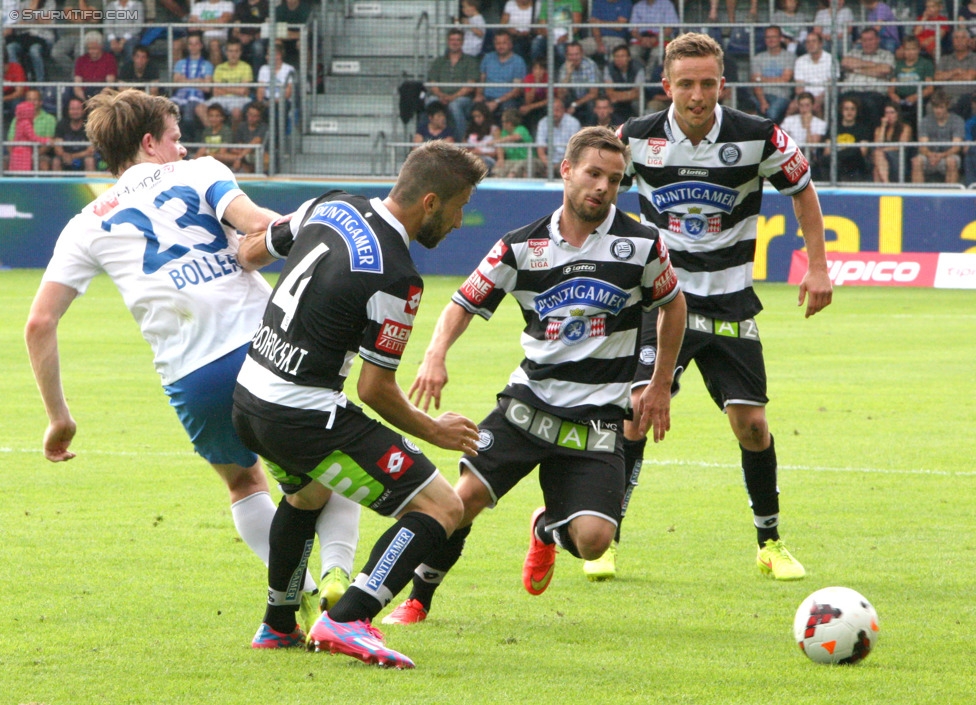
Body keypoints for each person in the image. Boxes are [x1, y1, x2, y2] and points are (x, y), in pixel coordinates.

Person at [25, 88, 361, 636]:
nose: (184, 149)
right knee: (331, 459)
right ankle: (336, 578)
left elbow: (39, 322)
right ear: (150, 142)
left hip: (191, 374)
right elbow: (261, 224)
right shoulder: (201, 171)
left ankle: (292, 595)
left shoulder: (84, 224)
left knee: (244, 484)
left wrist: (59, 417)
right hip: (265, 347)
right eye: (176, 139)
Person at [381, 126, 686, 626]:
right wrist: (435, 354)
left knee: (593, 543)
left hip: (596, 419)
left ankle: (546, 529)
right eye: (593, 174)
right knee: (461, 502)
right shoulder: (520, 246)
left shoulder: (642, 244)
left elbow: (674, 306)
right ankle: (417, 600)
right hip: (528, 406)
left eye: (615, 179)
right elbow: (463, 302)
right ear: (566, 171)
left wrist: (658, 383)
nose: (603, 187)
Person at [230, 141, 487, 667]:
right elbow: (374, 389)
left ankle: (278, 623)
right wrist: (433, 430)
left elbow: (251, 251)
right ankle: (349, 617)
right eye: (459, 207)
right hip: (301, 414)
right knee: (443, 506)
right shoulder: (398, 278)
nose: (461, 222)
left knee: (308, 495)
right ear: (431, 202)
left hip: (249, 396)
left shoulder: (332, 204)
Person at [594, 32, 832, 582]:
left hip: (729, 303)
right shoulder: (636, 138)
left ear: (721, 84)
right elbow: (598, 194)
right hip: (662, 301)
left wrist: (818, 266)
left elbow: (803, 190)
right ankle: (606, 539)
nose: (697, 95)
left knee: (751, 425)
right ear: (667, 86)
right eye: (686, 84)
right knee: (635, 413)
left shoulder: (757, 137)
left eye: (707, 83)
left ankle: (770, 543)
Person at [425, 27, 481, 141]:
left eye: (458, 40)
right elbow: (432, 83)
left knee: (454, 105)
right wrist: (441, 96)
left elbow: (470, 85)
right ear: (447, 41)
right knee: (430, 101)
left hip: (463, 99)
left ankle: (461, 142)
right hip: (440, 96)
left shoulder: (470, 61)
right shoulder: (439, 61)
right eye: (452, 40)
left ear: (462, 42)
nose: (454, 43)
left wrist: (452, 97)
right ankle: (428, 140)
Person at [840, 27, 894, 128]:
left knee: (870, 104)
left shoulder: (886, 55)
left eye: (870, 40)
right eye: (864, 40)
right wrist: (874, 66)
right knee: (838, 101)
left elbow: (885, 69)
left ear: (878, 40)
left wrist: (857, 69)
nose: (867, 43)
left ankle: (871, 138)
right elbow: (845, 62)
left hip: (874, 94)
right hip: (851, 92)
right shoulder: (853, 53)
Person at [911, 89, 964, 183]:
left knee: (952, 162)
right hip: (929, 156)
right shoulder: (925, 121)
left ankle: (950, 195)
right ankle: (919, 194)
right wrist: (930, 155)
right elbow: (922, 146)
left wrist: (942, 155)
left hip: (948, 155)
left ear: (947, 106)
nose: (938, 111)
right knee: (916, 161)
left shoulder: (957, 121)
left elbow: (956, 147)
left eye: (941, 107)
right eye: (935, 107)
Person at [171, 32, 214, 142]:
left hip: (196, 98)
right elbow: (175, 84)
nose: (193, 46)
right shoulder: (180, 63)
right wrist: (198, 81)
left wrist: (185, 80)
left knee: (188, 116)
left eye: (196, 43)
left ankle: (190, 145)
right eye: (191, 44)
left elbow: (207, 88)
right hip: (179, 97)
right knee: (166, 112)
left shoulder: (207, 65)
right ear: (187, 46)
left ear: (201, 45)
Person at [751, 25, 796, 125]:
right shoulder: (758, 58)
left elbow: (785, 79)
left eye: (774, 37)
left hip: (781, 96)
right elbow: (755, 83)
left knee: (772, 114)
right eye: (768, 37)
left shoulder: (789, 57)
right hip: (762, 95)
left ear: (780, 38)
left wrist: (761, 78)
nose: (771, 40)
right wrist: (762, 101)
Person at [205, 37, 255, 128]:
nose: (233, 54)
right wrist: (235, 89)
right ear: (226, 52)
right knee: (200, 108)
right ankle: (214, 134)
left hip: (239, 99)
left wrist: (223, 87)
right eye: (231, 51)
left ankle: (233, 140)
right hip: (221, 98)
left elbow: (243, 91)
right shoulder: (219, 68)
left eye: (236, 51)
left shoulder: (246, 67)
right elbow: (216, 91)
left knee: (236, 112)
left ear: (240, 52)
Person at [477, 30, 527, 119]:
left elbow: (516, 91)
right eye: (498, 43)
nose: (500, 46)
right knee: (476, 108)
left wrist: (497, 101)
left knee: (508, 110)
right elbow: (481, 81)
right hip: (487, 97)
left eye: (504, 43)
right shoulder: (487, 58)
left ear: (511, 44)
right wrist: (479, 95)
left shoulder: (518, 61)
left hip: (507, 100)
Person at [888, 36, 934, 127]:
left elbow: (930, 88)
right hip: (900, 98)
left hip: (918, 97)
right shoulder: (898, 65)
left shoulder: (926, 63)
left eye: (913, 49)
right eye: (907, 49)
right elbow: (891, 87)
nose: (910, 52)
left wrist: (915, 96)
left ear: (918, 50)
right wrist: (893, 96)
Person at [6, 0, 56, 82]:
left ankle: (40, 83)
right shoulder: (22, 4)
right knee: (10, 48)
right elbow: (17, 23)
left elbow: (48, 21)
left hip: (43, 38)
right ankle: (17, 80)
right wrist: (35, 18)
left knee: (34, 51)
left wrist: (33, 11)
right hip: (24, 38)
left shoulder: (49, 3)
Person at [6, 87, 56, 170]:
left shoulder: (49, 119)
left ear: (40, 102)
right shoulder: (19, 120)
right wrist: (14, 154)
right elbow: (31, 138)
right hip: (21, 153)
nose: (32, 102)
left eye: (35, 100)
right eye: (29, 99)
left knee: (43, 164)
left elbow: (47, 146)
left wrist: (34, 156)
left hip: (39, 154)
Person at [782, 91, 828, 179]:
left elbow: (812, 147)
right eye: (801, 105)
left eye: (807, 105)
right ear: (798, 106)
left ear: (812, 106)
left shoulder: (820, 123)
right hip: (791, 154)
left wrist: (808, 127)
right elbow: (783, 142)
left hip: (808, 157)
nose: (804, 109)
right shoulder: (789, 121)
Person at [934, 27, 976, 120]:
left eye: (962, 38)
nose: (959, 41)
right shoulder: (945, 59)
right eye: (956, 38)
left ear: (968, 41)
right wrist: (955, 72)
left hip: (968, 97)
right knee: (931, 106)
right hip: (946, 97)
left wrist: (948, 77)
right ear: (952, 41)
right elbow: (937, 78)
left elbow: (969, 77)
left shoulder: (974, 58)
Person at [557, 41, 600, 126]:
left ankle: (589, 132)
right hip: (572, 98)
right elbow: (560, 95)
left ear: (582, 54)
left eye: (576, 54)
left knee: (591, 105)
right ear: (566, 56)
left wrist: (575, 104)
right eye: (571, 55)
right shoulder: (564, 68)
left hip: (586, 99)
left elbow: (593, 93)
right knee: (560, 104)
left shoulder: (590, 65)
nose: (574, 58)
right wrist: (568, 74)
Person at [535, 97, 581, 176]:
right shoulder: (543, 122)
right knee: (531, 164)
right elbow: (540, 150)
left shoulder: (573, 122)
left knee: (569, 166)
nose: (554, 113)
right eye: (552, 110)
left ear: (563, 110)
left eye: (557, 110)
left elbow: (574, 150)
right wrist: (549, 166)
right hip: (547, 161)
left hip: (567, 160)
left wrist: (557, 166)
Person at [792, 32, 833, 117]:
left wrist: (817, 100)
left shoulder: (830, 59)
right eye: (808, 42)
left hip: (824, 96)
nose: (811, 44)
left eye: (814, 41)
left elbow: (831, 86)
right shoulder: (800, 61)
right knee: (791, 107)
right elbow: (799, 87)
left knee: (816, 107)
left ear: (821, 43)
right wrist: (805, 101)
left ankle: (821, 130)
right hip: (804, 96)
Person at [603, 43, 645, 125]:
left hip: (633, 101)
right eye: (617, 56)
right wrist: (628, 94)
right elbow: (609, 93)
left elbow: (637, 93)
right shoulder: (609, 68)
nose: (619, 59)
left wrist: (617, 95)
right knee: (608, 103)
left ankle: (640, 125)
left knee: (637, 103)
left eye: (622, 56)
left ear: (629, 58)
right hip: (617, 102)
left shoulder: (638, 68)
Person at [51, 96, 96, 172]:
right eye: (72, 109)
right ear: (68, 110)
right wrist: (65, 156)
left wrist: (72, 156)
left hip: (83, 158)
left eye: (78, 109)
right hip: (65, 158)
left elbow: (91, 150)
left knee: (90, 161)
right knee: (56, 161)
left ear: (83, 110)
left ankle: (90, 184)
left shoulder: (90, 125)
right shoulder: (62, 124)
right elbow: (58, 148)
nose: (75, 112)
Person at [872, 100, 913, 182]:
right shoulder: (878, 130)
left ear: (897, 114)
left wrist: (884, 150)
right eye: (887, 113)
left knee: (878, 154)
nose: (889, 115)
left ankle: (886, 185)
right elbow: (878, 145)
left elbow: (901, 145)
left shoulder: (905, 128)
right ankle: (886, 184)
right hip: (882, 161)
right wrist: (883, 127)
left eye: (892, 112)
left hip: (898, 159)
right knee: (876, 170)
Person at [835, 96, 873, 181]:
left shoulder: (863, 129)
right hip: (837, 162)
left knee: (855, 153)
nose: (849, 112)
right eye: (846, 109)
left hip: (855, 163)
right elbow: (827, 150)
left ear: (856, 112)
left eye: (852, 109)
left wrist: (841, 153)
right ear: (842, 111)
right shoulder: (834, 128)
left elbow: (862, 151)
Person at [73, 31, 118, 102]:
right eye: (90, 48)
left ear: (101, 46)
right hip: (85, 97)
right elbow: (77, 87)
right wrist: (87, 101)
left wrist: (98, 100)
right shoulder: (81, 60)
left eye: (95, 48)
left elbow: (110, 85)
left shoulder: (109, 59)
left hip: (103, 97)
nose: (92, 51)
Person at [189, 0, 235, 66]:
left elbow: (223, 22)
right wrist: (216, 25)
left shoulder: (227, 4)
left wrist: (202, 25)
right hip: (202, 37)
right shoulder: (199, 5)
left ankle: (217, 74)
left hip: (222, 37)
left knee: (214, 44)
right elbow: (192, 25)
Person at [229, 0, 268, 72]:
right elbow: (235, 28)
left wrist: (251, 37)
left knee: (257, 47)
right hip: (242, 38)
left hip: (259, 38)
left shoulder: (266, 5)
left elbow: (267, 29)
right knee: (227, 48)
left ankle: (257, 78)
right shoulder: (240, 6)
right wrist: (240, 36)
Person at [493, 107, 533, 177]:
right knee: (497, 172)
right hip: (510, 161)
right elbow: (499, 146)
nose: (502, 123)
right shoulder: (504, 132)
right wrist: (501, 159)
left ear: (509, 123)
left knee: (511, 174)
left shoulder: (521, 129)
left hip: (524, 160)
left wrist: (498, 140)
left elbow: (516, 137)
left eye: (503, 121)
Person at [229, 100, 268, 173]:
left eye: (255, 116)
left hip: (258, 155)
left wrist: (239, 158)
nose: (251, 118)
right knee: (218, 156)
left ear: (259, 117)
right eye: (249, 114)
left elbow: (257, 141)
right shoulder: (242, 126)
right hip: (242, 155)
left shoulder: (264, 127)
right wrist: (240, 154)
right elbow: (238, 145)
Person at [464, 100, 499, 172]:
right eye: (474, 117)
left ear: (485, 115)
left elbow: (497, 152)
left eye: (479, 116)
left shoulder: (494, 129)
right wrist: (472, 152)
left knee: (479, 162)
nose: (476, 119)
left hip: (488, 159)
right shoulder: (470, 131)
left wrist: (482, 153)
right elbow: (464, 148)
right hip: (472, 158)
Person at [519, 57, 549, 133]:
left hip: (544, 105)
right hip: (532, 103)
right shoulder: (529, 78)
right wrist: (536, 83)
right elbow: (528, 100)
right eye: (535, 68)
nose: (538, 71)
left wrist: (530, 107)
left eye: (541, 69)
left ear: (545, 70)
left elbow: (550, 99)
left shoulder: (548, 78)